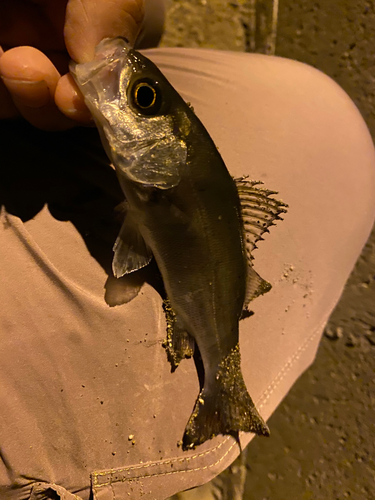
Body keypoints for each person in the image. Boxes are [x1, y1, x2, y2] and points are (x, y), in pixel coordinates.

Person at [1, 1, 374, 499]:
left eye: (143, 97)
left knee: (318, 105)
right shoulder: (160, 177)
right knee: (322, 113)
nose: (124, 80)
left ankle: (222, 387)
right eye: (146, 97)